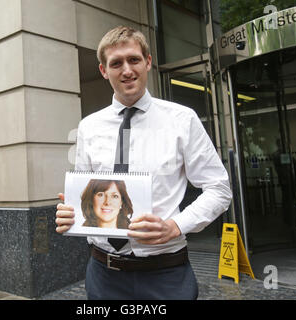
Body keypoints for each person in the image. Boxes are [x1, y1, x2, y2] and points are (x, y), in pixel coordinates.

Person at [55, 26, 232, 300]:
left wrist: (176, 226)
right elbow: (87, 194)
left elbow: (219, 190)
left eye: (134, 60)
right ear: (104, 70)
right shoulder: (89, 126)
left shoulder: (182, 120)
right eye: (116, 63)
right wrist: (72, 214)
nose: (127, 70)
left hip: (166, 275)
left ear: (148, 62)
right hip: (103, 275)